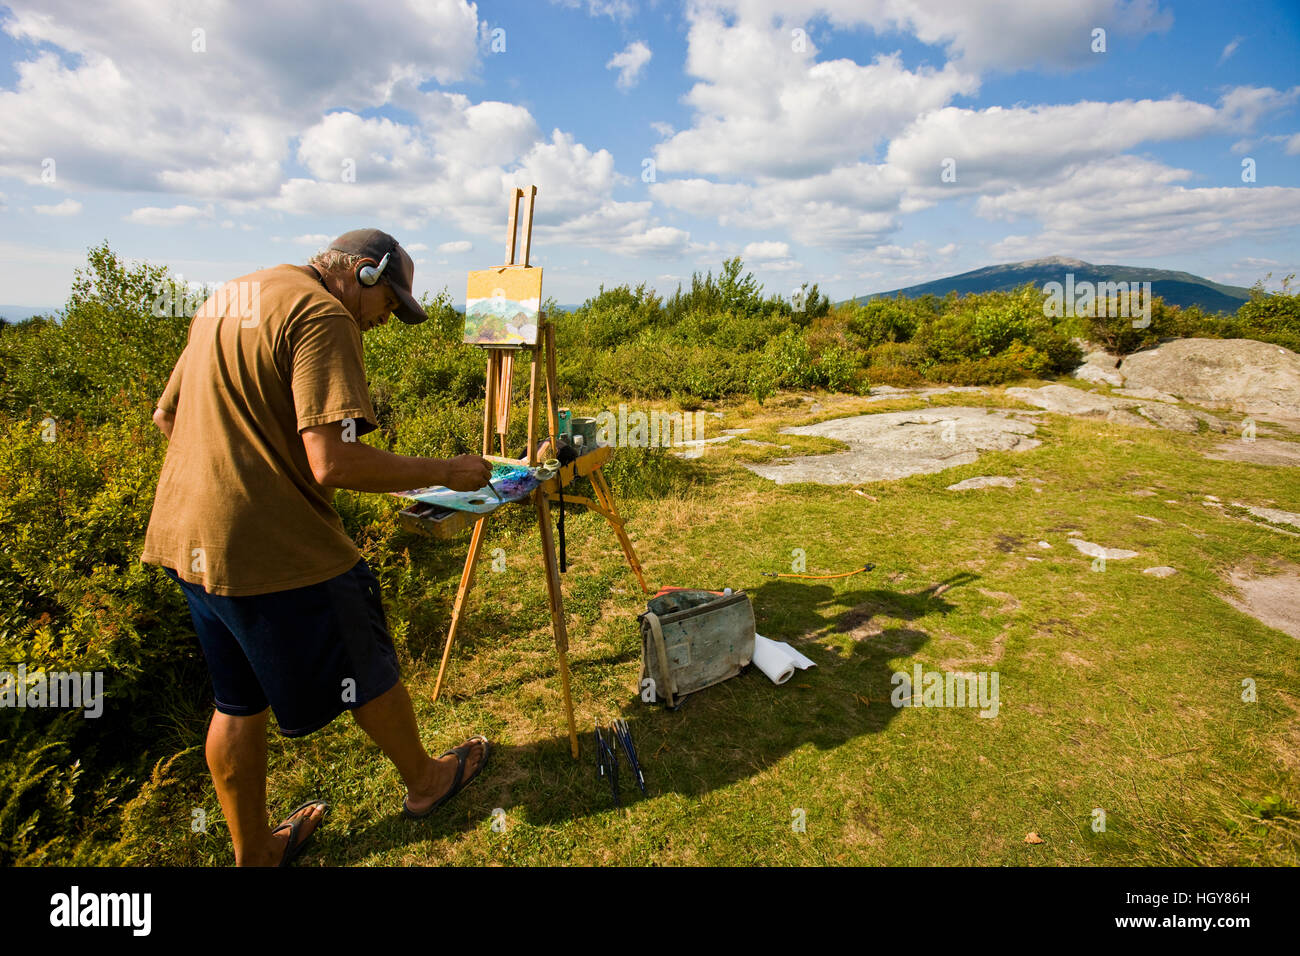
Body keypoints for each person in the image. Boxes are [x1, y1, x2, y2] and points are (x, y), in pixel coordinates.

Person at [141, 229, 493, 866]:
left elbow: (168, 417)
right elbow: (332, 462)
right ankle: (428, 781)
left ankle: (255, 852)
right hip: (272, 548)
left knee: (236, 702)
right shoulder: (324, 315)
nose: (383, 321)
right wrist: (447, 470)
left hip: (187, 540)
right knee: (366, 662)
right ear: (361, 273)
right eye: (387, 304)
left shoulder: (231, 295)